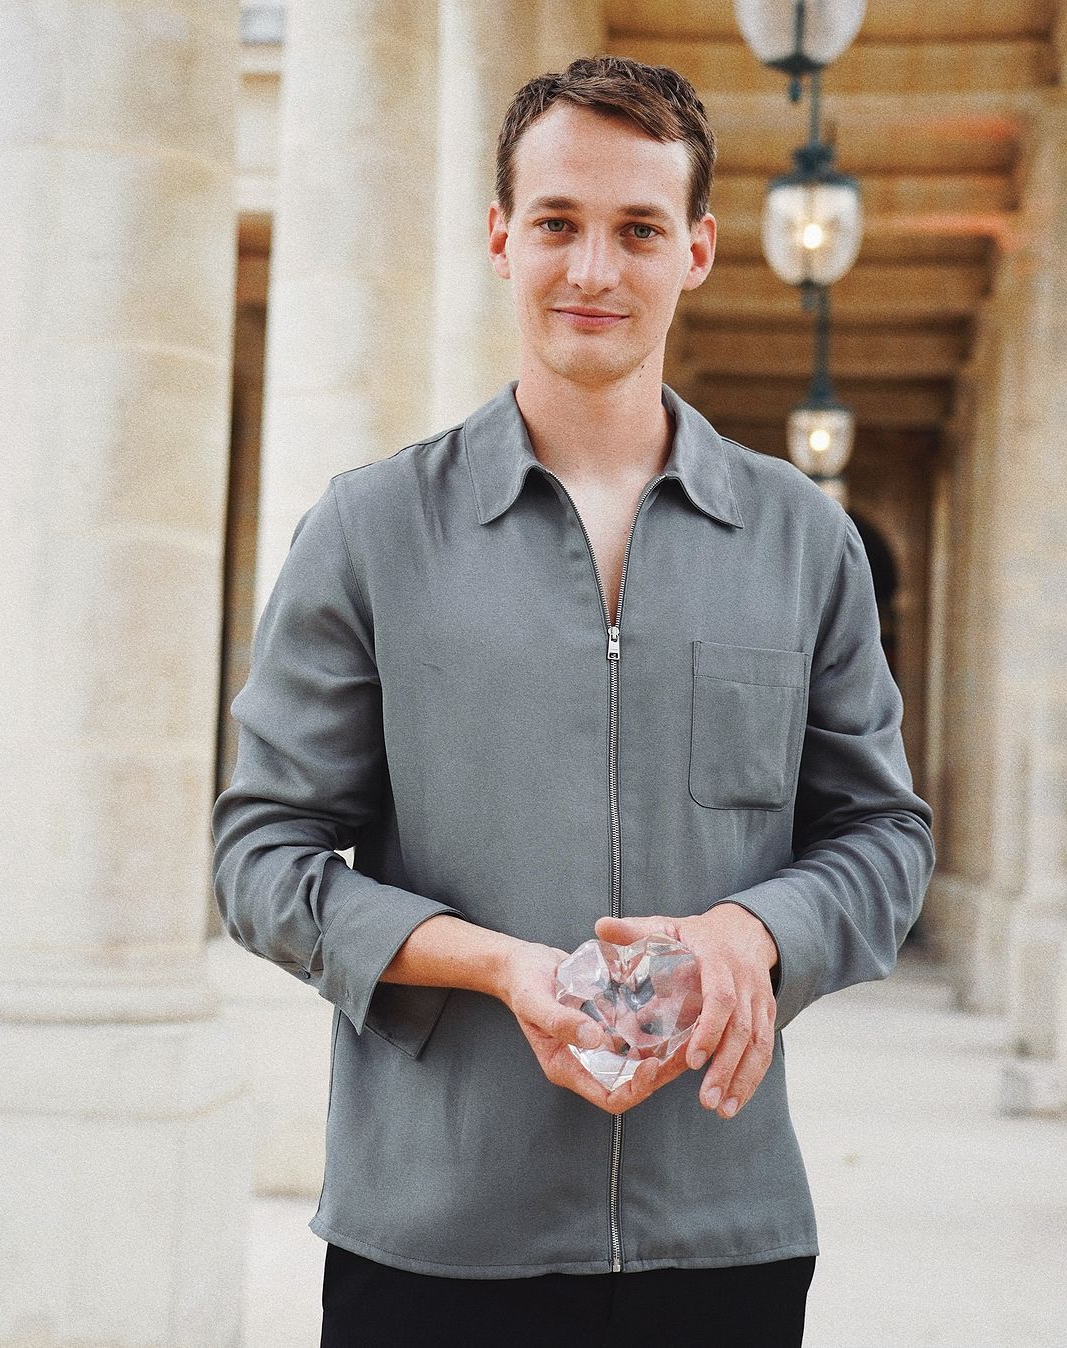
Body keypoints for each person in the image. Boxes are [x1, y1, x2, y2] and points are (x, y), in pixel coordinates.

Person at [212, 55, 935, 1347]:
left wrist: (752, 930)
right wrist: (498, 967)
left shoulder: (804, 545)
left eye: (638, 230)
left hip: (724, 1239)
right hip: (430, 1243)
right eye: (558, 222)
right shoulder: (371, 531)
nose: (593, 269)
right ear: (501, 237)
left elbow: (885, 838)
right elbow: (261, 856)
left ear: (696, 251)